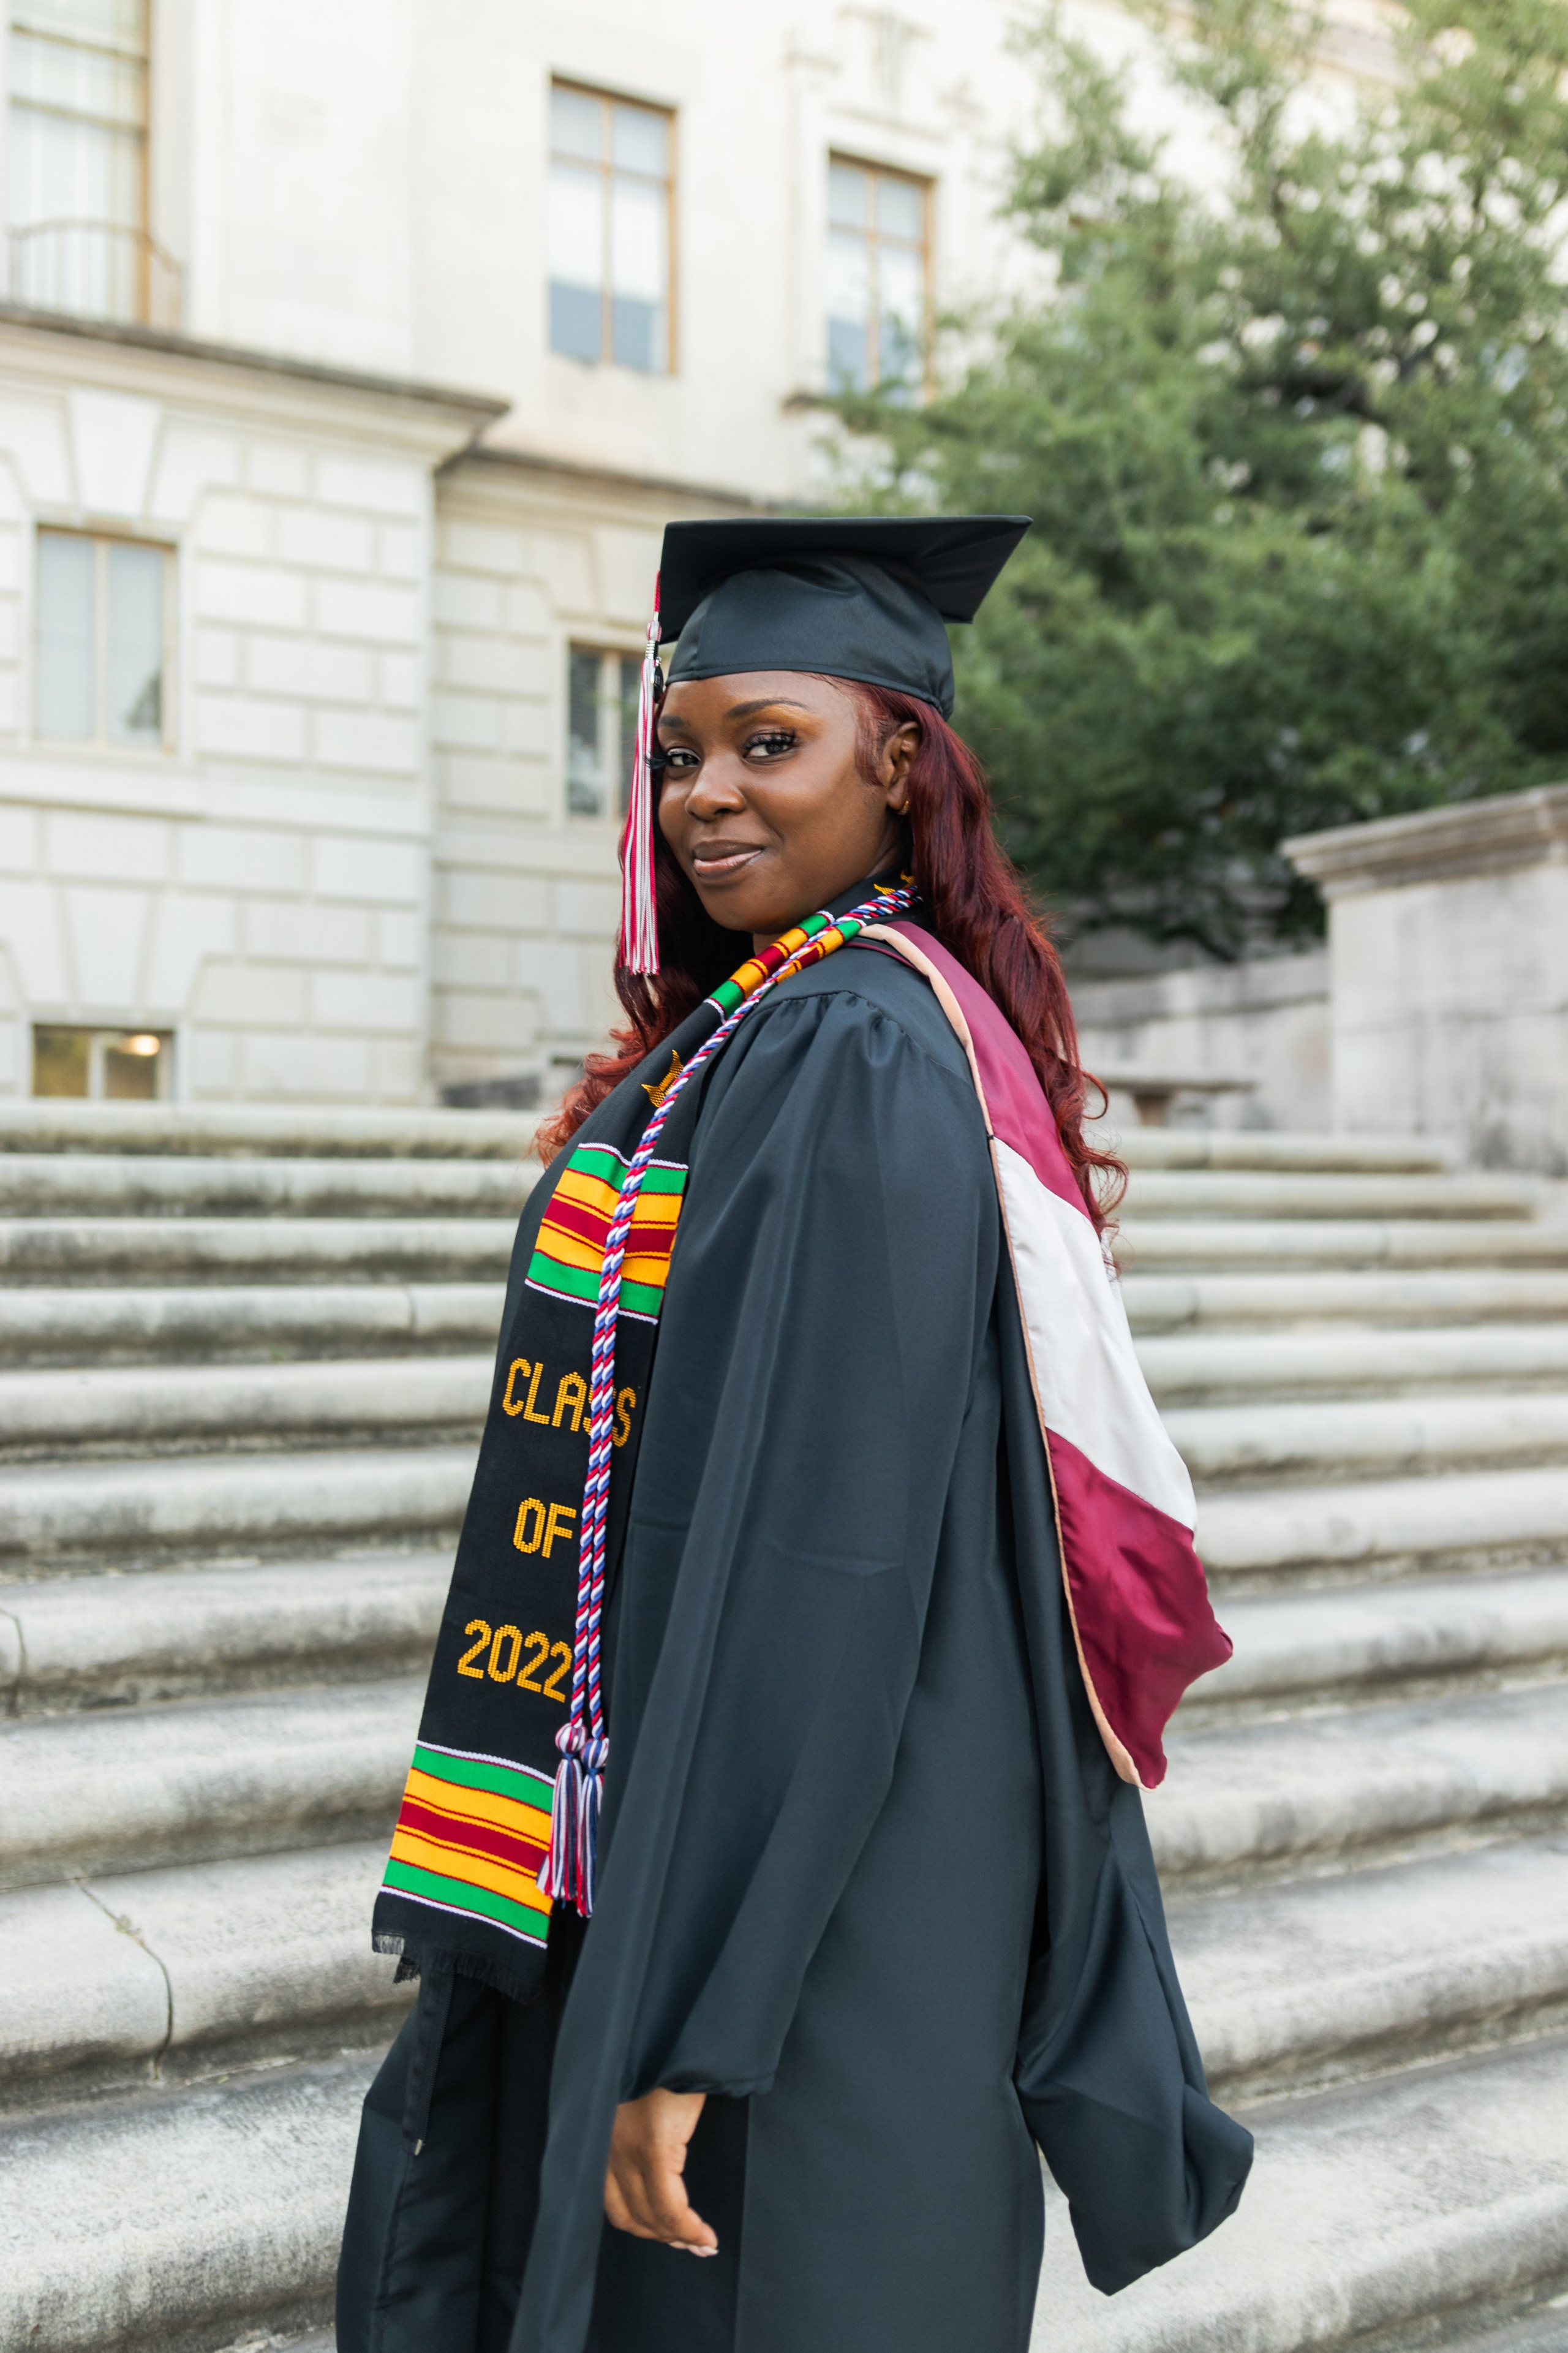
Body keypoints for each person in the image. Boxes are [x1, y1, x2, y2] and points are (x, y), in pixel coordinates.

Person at [336, 515, 1251, 2353]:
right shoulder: (773, 1028)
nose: (706, 797)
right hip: (761, 1842)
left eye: (774, 744)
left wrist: (691, 2012)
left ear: (902, 764)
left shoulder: (856, 1046)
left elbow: (809, 1563)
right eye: (681, 754)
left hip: (819, 1913)